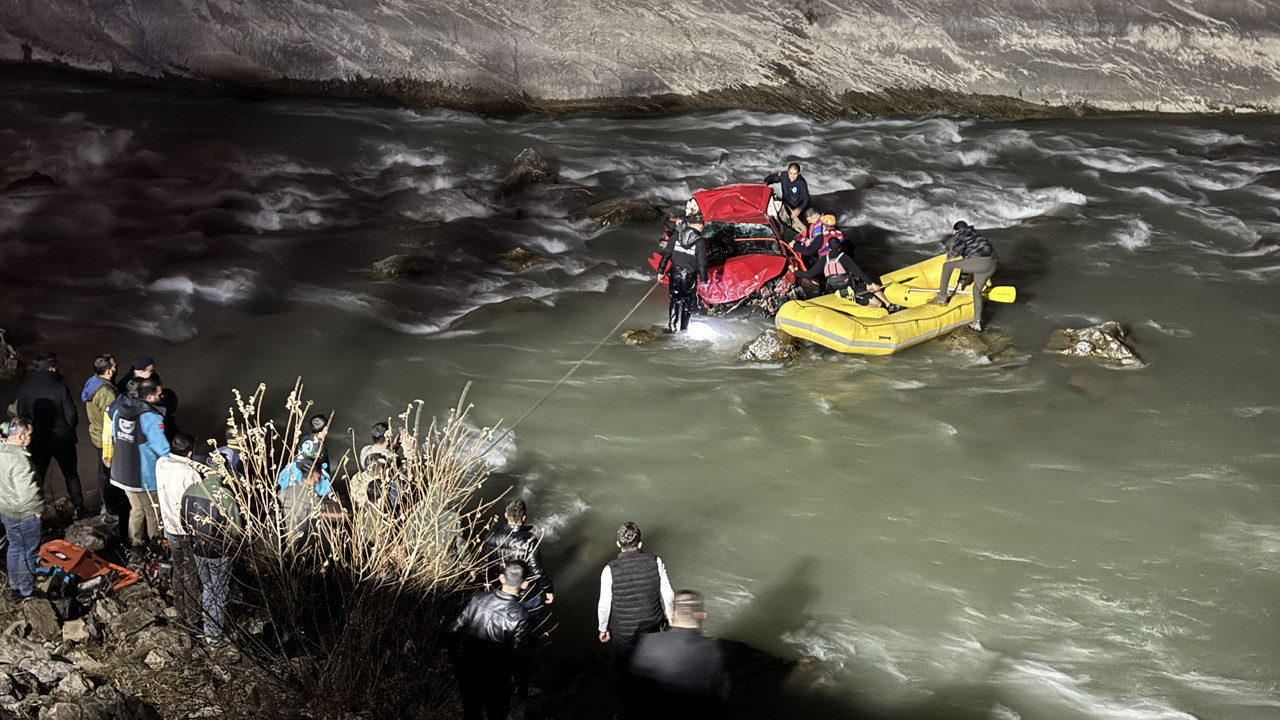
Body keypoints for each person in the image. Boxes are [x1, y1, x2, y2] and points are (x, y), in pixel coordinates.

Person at [479, 498, 556, 696]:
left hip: (502, 595)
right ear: (524, 518)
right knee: (527, 642)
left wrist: (490, 588)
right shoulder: (529, 540)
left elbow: (485, 567)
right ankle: (521, 689)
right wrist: (548, 590)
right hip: (527, 597)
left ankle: (501, 681)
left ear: (505, 515)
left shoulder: (493, 536)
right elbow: (537, 571)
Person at [630, 590, 731, 719]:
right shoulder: (712, 649)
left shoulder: (648, 642)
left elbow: (635, 690)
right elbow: (722, 694)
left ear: (674, 613)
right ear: (698, 615)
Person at [450, 562, 532, 720]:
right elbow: (519, 653)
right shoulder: (521, 615)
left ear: (501, 578)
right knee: (496, 715)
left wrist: (455, 659)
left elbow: (454, 629)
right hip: (497, 677)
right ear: (524, 584)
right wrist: (517, 681)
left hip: (469, 669)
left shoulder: (478, 598)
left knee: (471, 713)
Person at [598, 522, 675, 675]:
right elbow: (668, 593)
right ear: (640, 544)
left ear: (618, 544)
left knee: (625, 667)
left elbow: (604, 605)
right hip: (652, 626)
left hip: (624, 632)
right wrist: (670, 615)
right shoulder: (656, 561)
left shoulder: (609, 570)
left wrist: (603, 628)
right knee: (651, 665)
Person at [15, 353, 86, 519]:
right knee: (70, 474)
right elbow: (71, 415)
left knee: (37, 476)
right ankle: (79, 508)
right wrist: (66, 430)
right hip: (63, 441)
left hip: (37, 440)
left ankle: (34, 512)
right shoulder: (60, 388)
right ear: (52, 368)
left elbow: (21, 414)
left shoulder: (25, 388)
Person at [180, 464, 244, 644]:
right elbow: (236, 531)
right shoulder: (225, 495)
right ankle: (214, 636)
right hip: (219, 552)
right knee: (218, 592)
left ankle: (208, 627)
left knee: (208, 587)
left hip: (197, 549)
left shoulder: (190, 490)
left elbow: (183, 521)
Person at [110, 377, 171, 561]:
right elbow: (162, 449)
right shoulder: (151, 417)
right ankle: (156, 546)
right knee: (154, 511)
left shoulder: (119, 411)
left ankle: (136, 544)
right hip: (144, 476)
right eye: (158, 394)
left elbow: (114, 437)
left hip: (122, 473)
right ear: (150, 397)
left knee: (136, 509)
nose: (161, 397)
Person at [155, 433, 208, 632]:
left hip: (170, 527)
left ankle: (180, 613)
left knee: (178, 570)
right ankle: (192, 621)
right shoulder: (189, 472)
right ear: (190, 453)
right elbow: (198, 503)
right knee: (191, 575)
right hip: (186, 531)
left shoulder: (161, 463)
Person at [795, 218, 899, 310]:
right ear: (839, 247)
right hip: (850, 289)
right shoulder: (844, 258)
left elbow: (809, 274)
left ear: (829, 248)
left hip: (833, 290)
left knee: (871, 287)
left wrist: (795, 272)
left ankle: (888, 305)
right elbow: (860, 274)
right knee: (877, 303)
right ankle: (887, 306)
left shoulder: (823, 260)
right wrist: (871, 283)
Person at [0, 418, 43, 601]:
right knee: (28, 552)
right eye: (29, 434)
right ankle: (27, 591)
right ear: (20, 436)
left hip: (6, 510)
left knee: (15, 547)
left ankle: (15, 585)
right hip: (24, 514)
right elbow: (27, 491)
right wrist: (38, 509)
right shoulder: (20, 460)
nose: (31, 438)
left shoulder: (2, 451)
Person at [81, 353, 126, 521]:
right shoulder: (106, 393)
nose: (116, 368)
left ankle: (106, 505)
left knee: (103, 472)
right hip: (107, 441)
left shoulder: (93, 381)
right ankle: (112, 511)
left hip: (96, 433)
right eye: (114, 366)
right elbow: (113, 419)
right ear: (108, 371)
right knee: (111, 475)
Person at [932, 220, 998, 331]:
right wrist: (960, 283)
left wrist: (948, 256)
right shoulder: (976, 235)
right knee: (976, 290)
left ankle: (941, 297)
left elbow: (956, 252)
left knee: (947, 266)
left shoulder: (961, 234)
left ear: (955, 231)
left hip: (979, 262)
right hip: (992, 264)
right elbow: (968, 262)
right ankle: (976, 322)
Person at [656, 213, 708, 333]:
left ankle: (672, 325)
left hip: (674, 273)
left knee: (675, 300)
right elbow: (702, 263)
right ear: (699, 227)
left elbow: (667, 254)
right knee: (687, 303)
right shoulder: (699, 241)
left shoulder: (676, 235)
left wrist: (661, 271)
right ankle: (684, 328)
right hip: (689, 276)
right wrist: (703, 281)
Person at [763, 162, 811, 231]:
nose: (792, 176)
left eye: (795, 174)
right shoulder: (784, 175)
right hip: (785, 205)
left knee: (796, 230)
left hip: (795, 209)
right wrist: (764, 182)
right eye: (790, 173)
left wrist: (799, 209)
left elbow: (807, 199)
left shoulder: (802, 183)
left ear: (798, 174)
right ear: (788, 172)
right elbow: (772, 178)